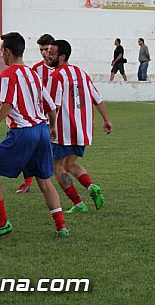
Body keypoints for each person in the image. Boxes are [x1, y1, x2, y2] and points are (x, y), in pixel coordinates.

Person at [0, 32, 69, 239]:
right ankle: (61, 227)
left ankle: (1, 224)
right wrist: (53, 127)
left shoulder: (8, 74)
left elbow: (7, 104)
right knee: (44, 181)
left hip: (23, 131)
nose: (0, 54)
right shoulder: (33, 74)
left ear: (7, 51)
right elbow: (50, 106)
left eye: (1, 50)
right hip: (41, 130)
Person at [46, 39, 113, 214]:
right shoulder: (82, 73)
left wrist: (49, 126)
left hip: (62, 131)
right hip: (82, 131)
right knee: (70, 164)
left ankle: (78, 203)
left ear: (62, 56)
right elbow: (97, 99)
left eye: (51, 53)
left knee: (58, 167)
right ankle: (91, 186)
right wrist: (106, 120)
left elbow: (54, 106)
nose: (47, 56)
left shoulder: (56, 76)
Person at [16, 33, 55, 194]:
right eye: (41, 50)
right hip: (39, 118)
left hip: (59, 116)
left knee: (57, 155)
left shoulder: (63, 68)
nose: (44, 53)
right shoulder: (36, 69)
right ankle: (28, 181)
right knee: (33, 149)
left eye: (47, 49)